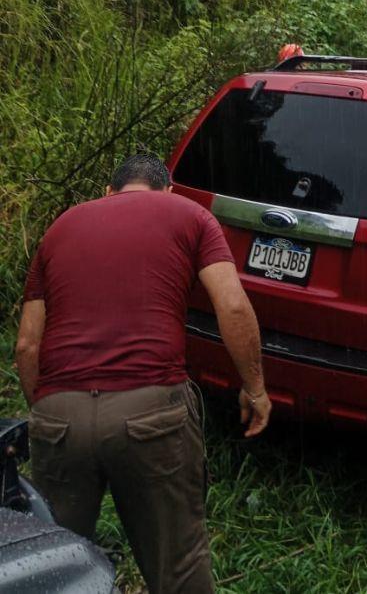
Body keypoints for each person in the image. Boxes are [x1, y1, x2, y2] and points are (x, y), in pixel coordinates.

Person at [15, 154, 271, 594]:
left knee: (51, 567)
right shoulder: (189, 214)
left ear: (109, 193)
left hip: (60, 415)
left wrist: (48, 414)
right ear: (169, 190)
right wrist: (255, 388)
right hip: (151, 413)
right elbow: (231, 304)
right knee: (180, 567)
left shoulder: (62, 227)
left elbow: (26, 345)